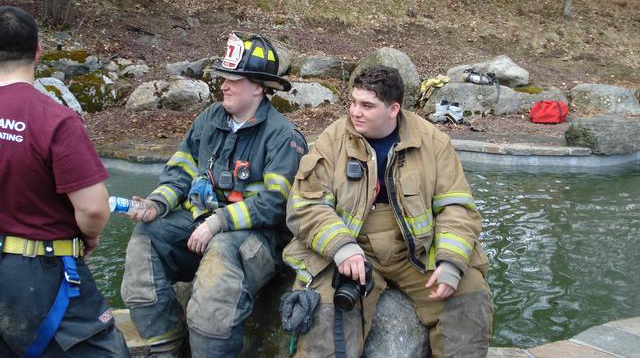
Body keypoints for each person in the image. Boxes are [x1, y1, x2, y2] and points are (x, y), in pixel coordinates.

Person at [283, 65, 493, 358]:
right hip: (353, 250)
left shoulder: (433, 142)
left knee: (468, 300)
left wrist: (452, 262)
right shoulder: (331, 141)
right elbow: (305, 205)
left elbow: (456, 207)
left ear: (394, 109)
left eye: (367, 105)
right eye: (353, 102)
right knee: (325, 318)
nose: (355, 112)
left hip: (417, 252)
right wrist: (342, 247)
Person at [121, 32, 308, 357]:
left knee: (216, 280)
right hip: (200, 226)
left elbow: (275, 206)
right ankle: (168, 345)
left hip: (253, 243)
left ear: (259, 87)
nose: (223, 85)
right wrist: (156, 203)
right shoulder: (209, 119)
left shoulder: (283, 136)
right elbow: (180, 172)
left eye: (233, 79)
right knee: (145, 239)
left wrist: (217, 222)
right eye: (223, 77)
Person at [0, 6, 130, 357]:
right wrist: (88, 236)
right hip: (42, 274)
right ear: (38, 51)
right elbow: (92, 209)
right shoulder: (54, 120)